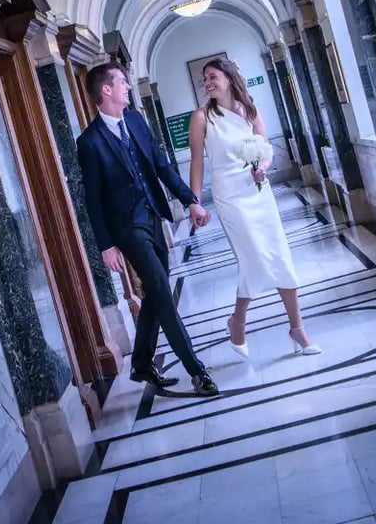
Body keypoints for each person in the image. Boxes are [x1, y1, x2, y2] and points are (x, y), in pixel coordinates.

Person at [76, 63, 218, 397]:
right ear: (106, 91)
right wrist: (106, 245)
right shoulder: (90, 142)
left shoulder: (137, 121)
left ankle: (141, 363)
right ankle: (196, 370)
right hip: (126, 228)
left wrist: (190, 201)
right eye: (122, 82)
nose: (127, 86)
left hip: (153, 216)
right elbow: (92, 199)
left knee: (156, 291)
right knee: (162, 292)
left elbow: (162, 166)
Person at [188, 57, 321, 359]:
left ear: (229, 76)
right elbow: (197, 161)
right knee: (253, 260)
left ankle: (297, 327)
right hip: (230, 199)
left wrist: (263, 166)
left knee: (278, 254)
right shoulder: (201, 118)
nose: (207, 83)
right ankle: (237, 322)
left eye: (212, 76)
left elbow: (266, 149)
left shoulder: (250, 110)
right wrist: (194, 202)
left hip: (258, 192)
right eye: (204, 79)